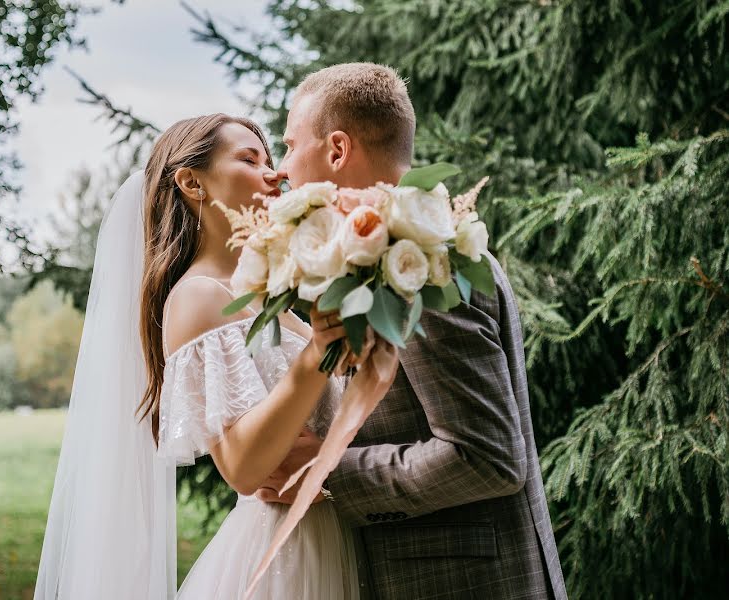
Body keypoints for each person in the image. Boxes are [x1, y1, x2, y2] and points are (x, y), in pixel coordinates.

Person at [33, 113, 398, 599]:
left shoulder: (272, 291)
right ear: (191, 181)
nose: (275, 173)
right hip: (288, 556)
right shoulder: (197, 297)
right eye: (249, 159)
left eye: (271, 159)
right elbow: (244, 468)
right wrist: (317, 355)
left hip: (337, 532)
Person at [259, 62, 569, 600]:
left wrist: (326, 471)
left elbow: (487, 458)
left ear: (336, 149)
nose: (284, 168)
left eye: (289, 145)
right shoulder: (397, 250)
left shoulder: (417, 265)